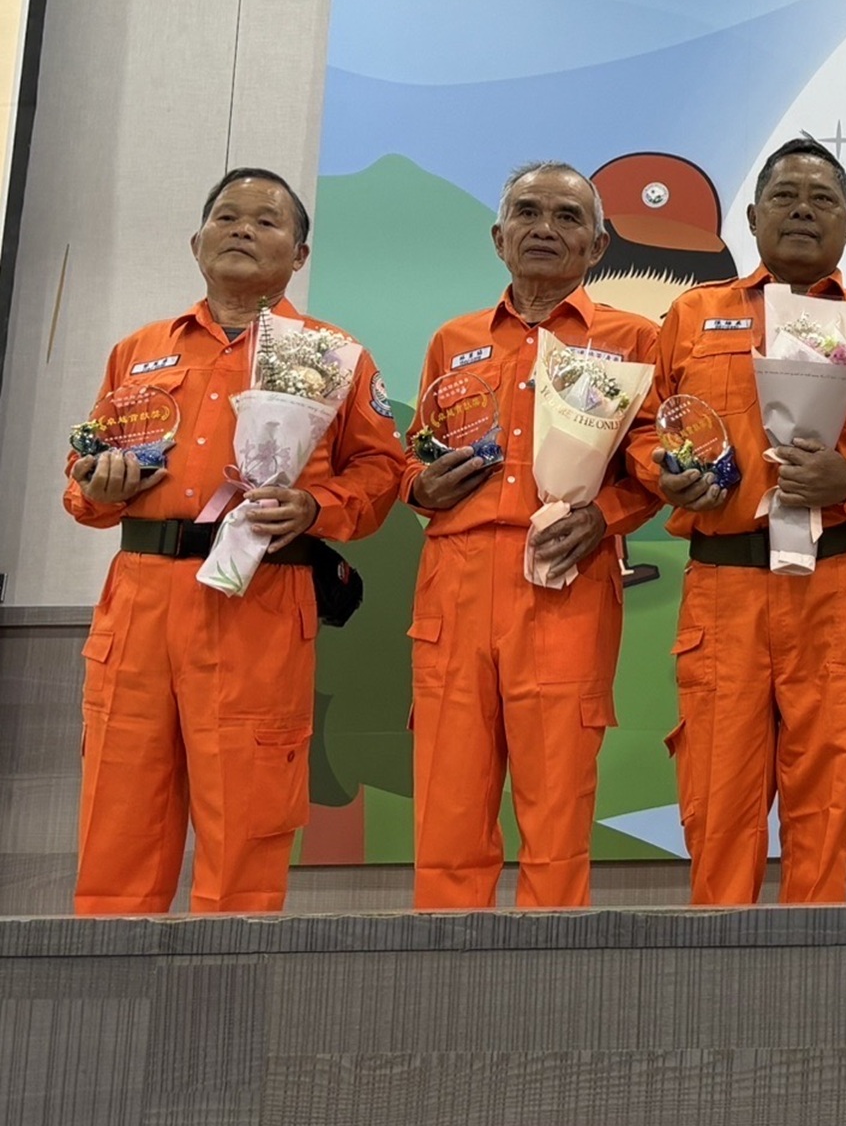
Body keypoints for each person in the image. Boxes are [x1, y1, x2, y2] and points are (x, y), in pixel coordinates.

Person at [63, 168, 406, 913]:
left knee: (246, 823)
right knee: (117, 820)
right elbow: (82, 476)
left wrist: (316, 505)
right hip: (139, 604)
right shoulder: (139, 350)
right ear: (196, 242)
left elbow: (383, 470)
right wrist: (99, 484)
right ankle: (113, 981)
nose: (243, 229)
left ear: (300, 255)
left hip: (260, 600)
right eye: (226, 216)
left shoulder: (331, 354)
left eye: (266, 220)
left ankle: (231, 985)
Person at [628, 138, 846, 904]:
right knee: (716, 801)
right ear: (752, 215)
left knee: (827, 799)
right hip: (725, 586)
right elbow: (641, 428)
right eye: (785, 196)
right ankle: (716, 964)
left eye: (822, 199)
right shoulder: (693, 315)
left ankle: (816, 966)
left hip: (840, 585)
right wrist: (666, 475)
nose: (803, 210)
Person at [404, 162, 662, 909]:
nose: (544, 227)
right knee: (448, 809)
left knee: (556, 809)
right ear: (499, 237)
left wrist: (603, 517)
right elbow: (414, 455)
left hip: (565, 582)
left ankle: (551, 973)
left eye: (567, 216)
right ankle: (444, 968)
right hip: (453, 588)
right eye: (527, 212)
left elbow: (655, 463)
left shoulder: (634, 340)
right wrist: (419, 487)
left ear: (598, 245)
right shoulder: (452, 340)